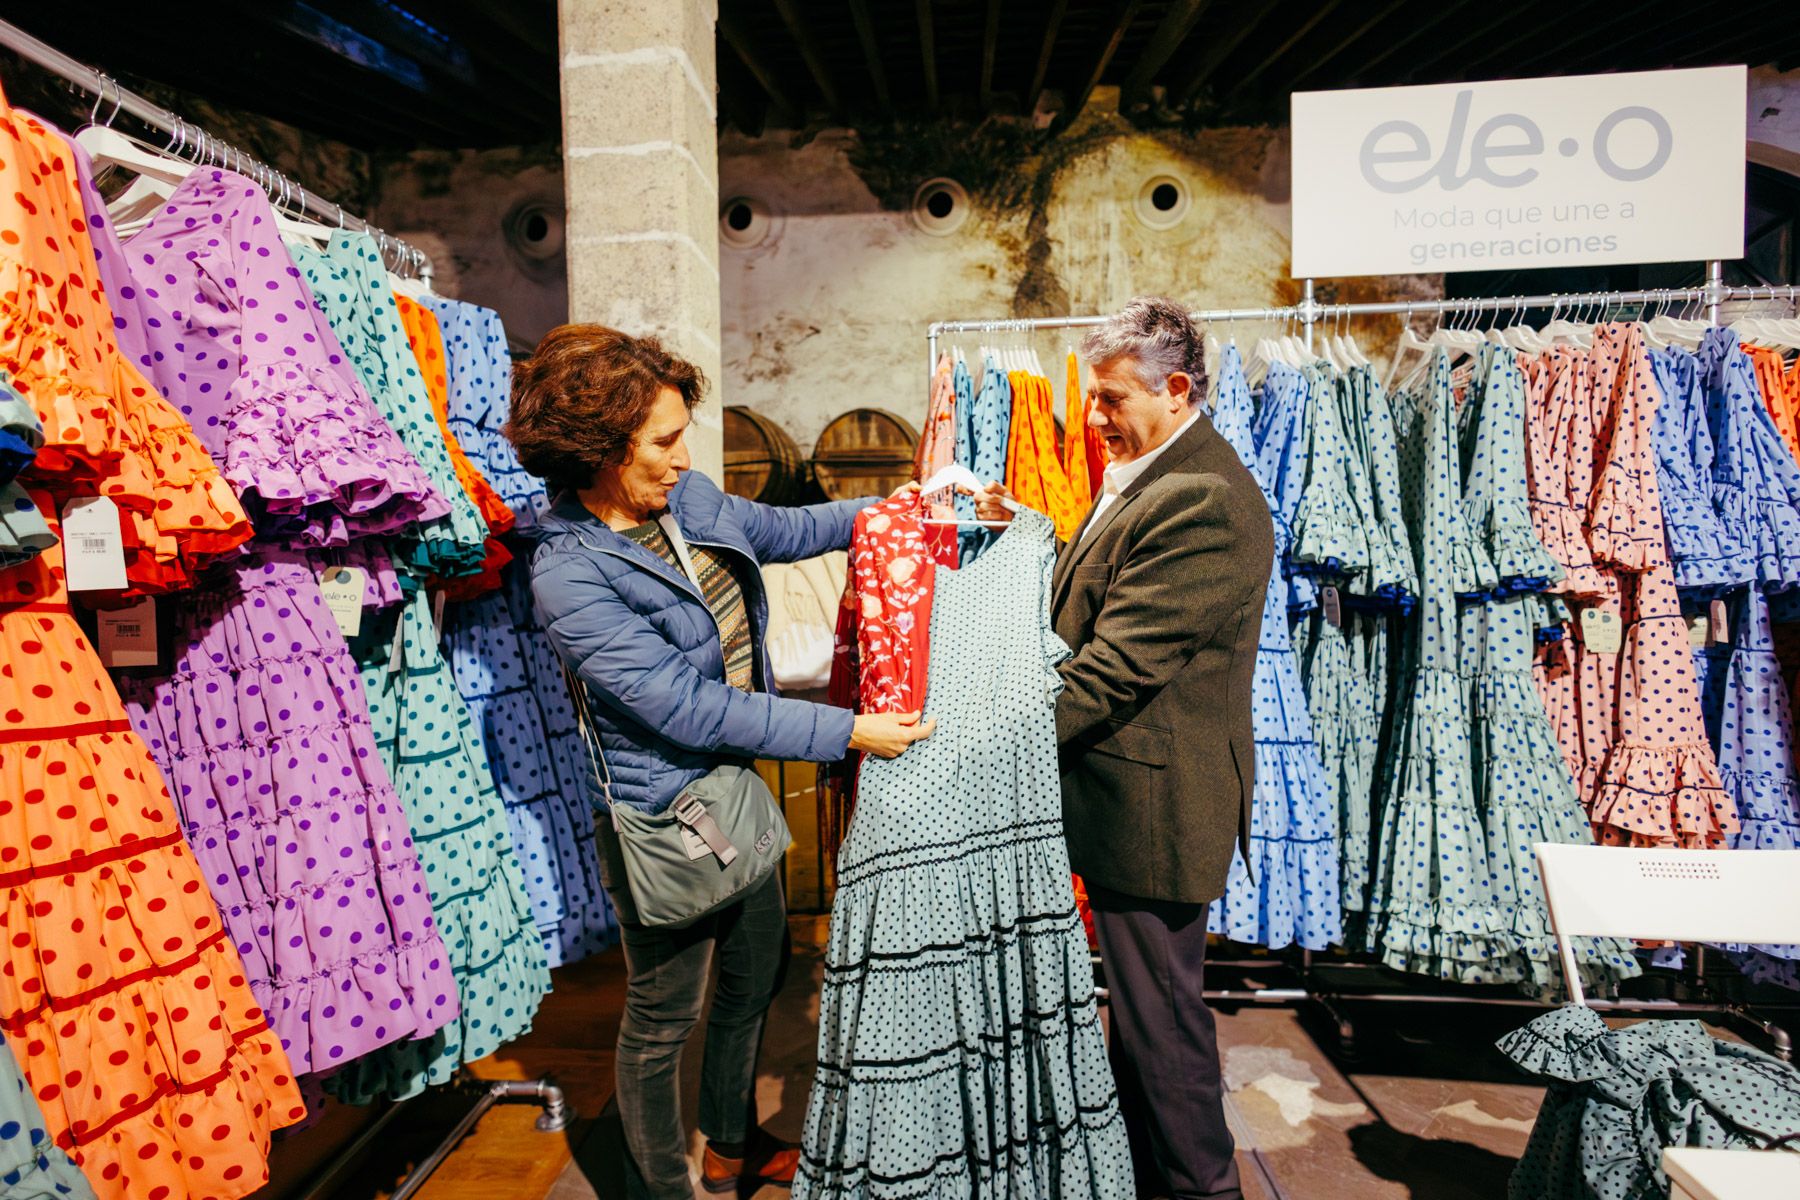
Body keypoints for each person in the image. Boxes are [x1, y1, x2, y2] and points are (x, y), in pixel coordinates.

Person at [510, 325, 934, 1200]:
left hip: (732, 789)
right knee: (663, 1017)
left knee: (755, 978)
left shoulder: (688, 498)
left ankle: (730, 1147)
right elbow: (683, 704)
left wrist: (910, 503)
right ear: (597, 447)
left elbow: (787, 527)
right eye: (662, 440)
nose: (683, 455)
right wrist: (849, 731)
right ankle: (664, 1184)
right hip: (665, 812)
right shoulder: (568, 571)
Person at [975, 297, 1273, 1200]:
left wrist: (980, 744)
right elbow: (1091, 588)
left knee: (1164, 1029)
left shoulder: (1203, 499)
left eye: (1109, 399)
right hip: (1124, 796)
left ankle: (1203, 1188)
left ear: (1176, 388)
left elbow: (1111, 671)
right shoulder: (1152, 475)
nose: (1093, 418)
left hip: (1156, 807)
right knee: (1142, 1025)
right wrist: (1026, 529)